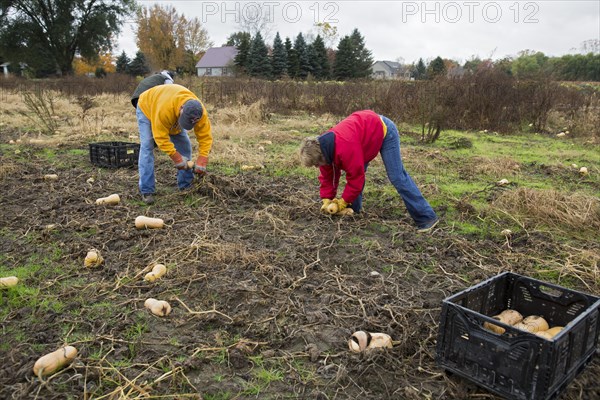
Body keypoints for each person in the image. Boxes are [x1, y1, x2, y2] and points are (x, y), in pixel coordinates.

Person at [299, 110, 439, 233]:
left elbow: (356, 179)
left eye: (317, 164)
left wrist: (342, 202)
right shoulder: (323, 148)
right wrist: (327, 199)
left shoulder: (345, 147)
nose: (317, 167)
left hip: (383, 131)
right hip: (362, 138)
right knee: (355, 170)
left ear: (322, 155)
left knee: (397, 176)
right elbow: (328, 177)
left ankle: (426, 217)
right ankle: (354, 210)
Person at [136, 83, 212, 204]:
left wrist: (203, 157)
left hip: (171, 111)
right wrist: (176, 157)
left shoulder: (200, 113)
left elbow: (205, 137)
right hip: (148, 107)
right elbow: (160, 138)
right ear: (181, 108)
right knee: (147, 146)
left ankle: (186, 186)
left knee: (185, 146)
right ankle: (146, 190)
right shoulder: (165, 110)